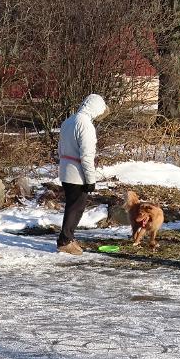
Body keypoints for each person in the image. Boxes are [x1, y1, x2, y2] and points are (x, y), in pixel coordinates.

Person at [56, 94, 105, 255]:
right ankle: (65, 240)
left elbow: (60, 147)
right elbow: (87, 156)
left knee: (72, 205)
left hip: (65, 170)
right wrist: (91, 179)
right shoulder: (85, 125)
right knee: (76, 208)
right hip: (77, 174)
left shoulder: (69, 121)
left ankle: (68, 237)